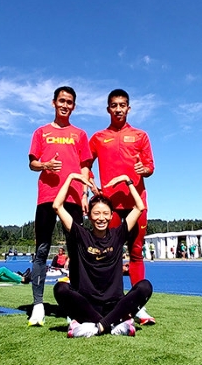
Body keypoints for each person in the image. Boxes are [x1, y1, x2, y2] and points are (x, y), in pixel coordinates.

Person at [53, 172, 153, 337]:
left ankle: (97, 326)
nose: (101, 218)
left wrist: (127, 181)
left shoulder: (118, 234)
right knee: (60, 288)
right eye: (96, 213)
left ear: (112, 215)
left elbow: (139, 207)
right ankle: (113, 324)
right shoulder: (81, 234)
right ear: (89, 216)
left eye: (106, 213)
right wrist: (70, 178)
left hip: (115, 304)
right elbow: (57, 206)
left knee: (145, 286)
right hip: (87, 305)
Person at [88, 88, 156, 325]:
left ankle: (139, 307)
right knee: (109, 255)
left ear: (129, 108)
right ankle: (110, 302)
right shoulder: (98, 138)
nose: (118, 109)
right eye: (114, 105)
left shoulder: (140, 136)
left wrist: (144, 169)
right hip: (111, 207)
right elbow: (85, 163)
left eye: (122, 105)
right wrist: (91, 182)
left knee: (136, 252)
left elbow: (150, 167)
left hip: (136, 204)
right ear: (108, 109)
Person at [27, 86, 92, 326]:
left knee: (76, 251)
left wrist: (84, 193)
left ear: (74, 106)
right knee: (42, 250)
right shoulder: (41, 132)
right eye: (61, 101)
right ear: (53, 103)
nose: (65, 105)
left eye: (69, 102)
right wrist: (45, 165)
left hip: (73, 197)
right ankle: (38, 305)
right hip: (47, 196)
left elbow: (85, 166)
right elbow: (32, 164)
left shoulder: (80, 134)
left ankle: (74, 304)